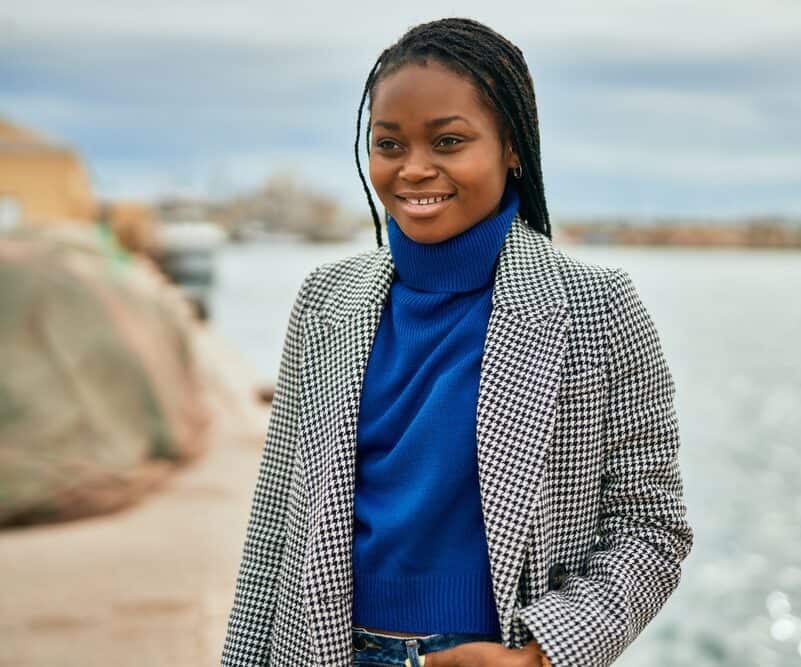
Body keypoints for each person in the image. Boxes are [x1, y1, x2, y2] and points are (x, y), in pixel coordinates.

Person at [221, 17, 693, 667]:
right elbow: (275, 524)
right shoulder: (325, 300)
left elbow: (651, 527)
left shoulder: (597, 308)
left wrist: (538, 656)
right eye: (389, 144)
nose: (414, 169)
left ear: (512, 148)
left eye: (448, 141)